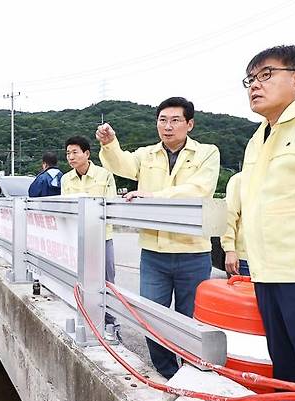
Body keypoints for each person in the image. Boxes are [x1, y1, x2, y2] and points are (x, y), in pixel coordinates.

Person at [96, 97, 220, 379]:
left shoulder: (207, 153)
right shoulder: (147, 154)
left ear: (189, 124)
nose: (167, 126)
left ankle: (193, 375)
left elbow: (200, 189)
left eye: (175, 120)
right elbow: (122, 165)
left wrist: (153, 196)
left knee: (192, 322)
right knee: (151, 317)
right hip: (153, 252)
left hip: (193, 252)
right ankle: (168, 374)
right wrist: (109, 144)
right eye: (162, 120)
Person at [239, 45, 295, 385]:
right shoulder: (257, 138)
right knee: (286, 373)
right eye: (250, 79)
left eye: (266, 75)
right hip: (266, 274)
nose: (255, 84)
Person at [60, 136, 119, 338]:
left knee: (106, 280)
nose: (70, 157)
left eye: (75, 152)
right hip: (77, 239)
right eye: (68, 153)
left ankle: (111, 326)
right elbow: (64, 209)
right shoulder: (66, 179)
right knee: (79, 280)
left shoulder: (104, 175)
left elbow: (110, 205)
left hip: (102, 238)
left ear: (87, 153)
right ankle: (83, 321)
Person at [221, 173, 249, 276]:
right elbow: (228, 216)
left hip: (279, 261)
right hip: (246, 259)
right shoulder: (240, 179)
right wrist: (229, 250)